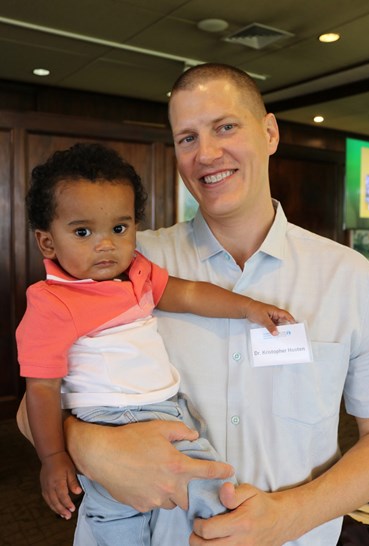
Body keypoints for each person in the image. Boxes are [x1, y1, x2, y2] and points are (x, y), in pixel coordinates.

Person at [17, 63, 369, 546]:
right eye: (186, 138)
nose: (207, 154)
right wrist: (92, 446)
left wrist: (289, 516)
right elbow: (34, 398)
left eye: (225, 127)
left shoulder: (349, 277)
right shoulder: (124, 263)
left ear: (269, 132)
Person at [16, 142, 294, 546]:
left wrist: (247, 307)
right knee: (127, 512)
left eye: (119, 228)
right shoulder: (52, 302)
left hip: (166, 409)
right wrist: (54, 457)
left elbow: (192, 295)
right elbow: (41, 388)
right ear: (47, 243)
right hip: (106, 418)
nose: (106, 243)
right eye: (82, 232)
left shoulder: (137, 274)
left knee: (190, 488)